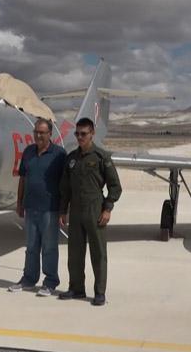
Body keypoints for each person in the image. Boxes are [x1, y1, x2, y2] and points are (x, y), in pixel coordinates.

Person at [58, 118, 122, 306]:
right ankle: (76, 288)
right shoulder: (71, 159)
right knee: (75, 252)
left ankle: (99, 292)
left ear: (92, 134)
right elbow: (65, 188)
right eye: (77, 134)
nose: (79, 137)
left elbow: (115, 186)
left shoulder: (102, 157)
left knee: (98, 253)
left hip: (95, 209)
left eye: (83, 134)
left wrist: (107, 208)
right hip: (76, 210)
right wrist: (63, 210)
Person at [8, 118, 67, 296]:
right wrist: (19, 203)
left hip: (50, 209)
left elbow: (65, 183)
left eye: (42, 132)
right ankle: (28, 279)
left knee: (49, 247)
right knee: (31, 246)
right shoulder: (28, 152)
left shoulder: (59, 154)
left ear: (50, 134)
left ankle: (50, 282)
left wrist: (64, 209)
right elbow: (23, 179)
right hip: (31, 207)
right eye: (36, 132)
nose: (38, 135)